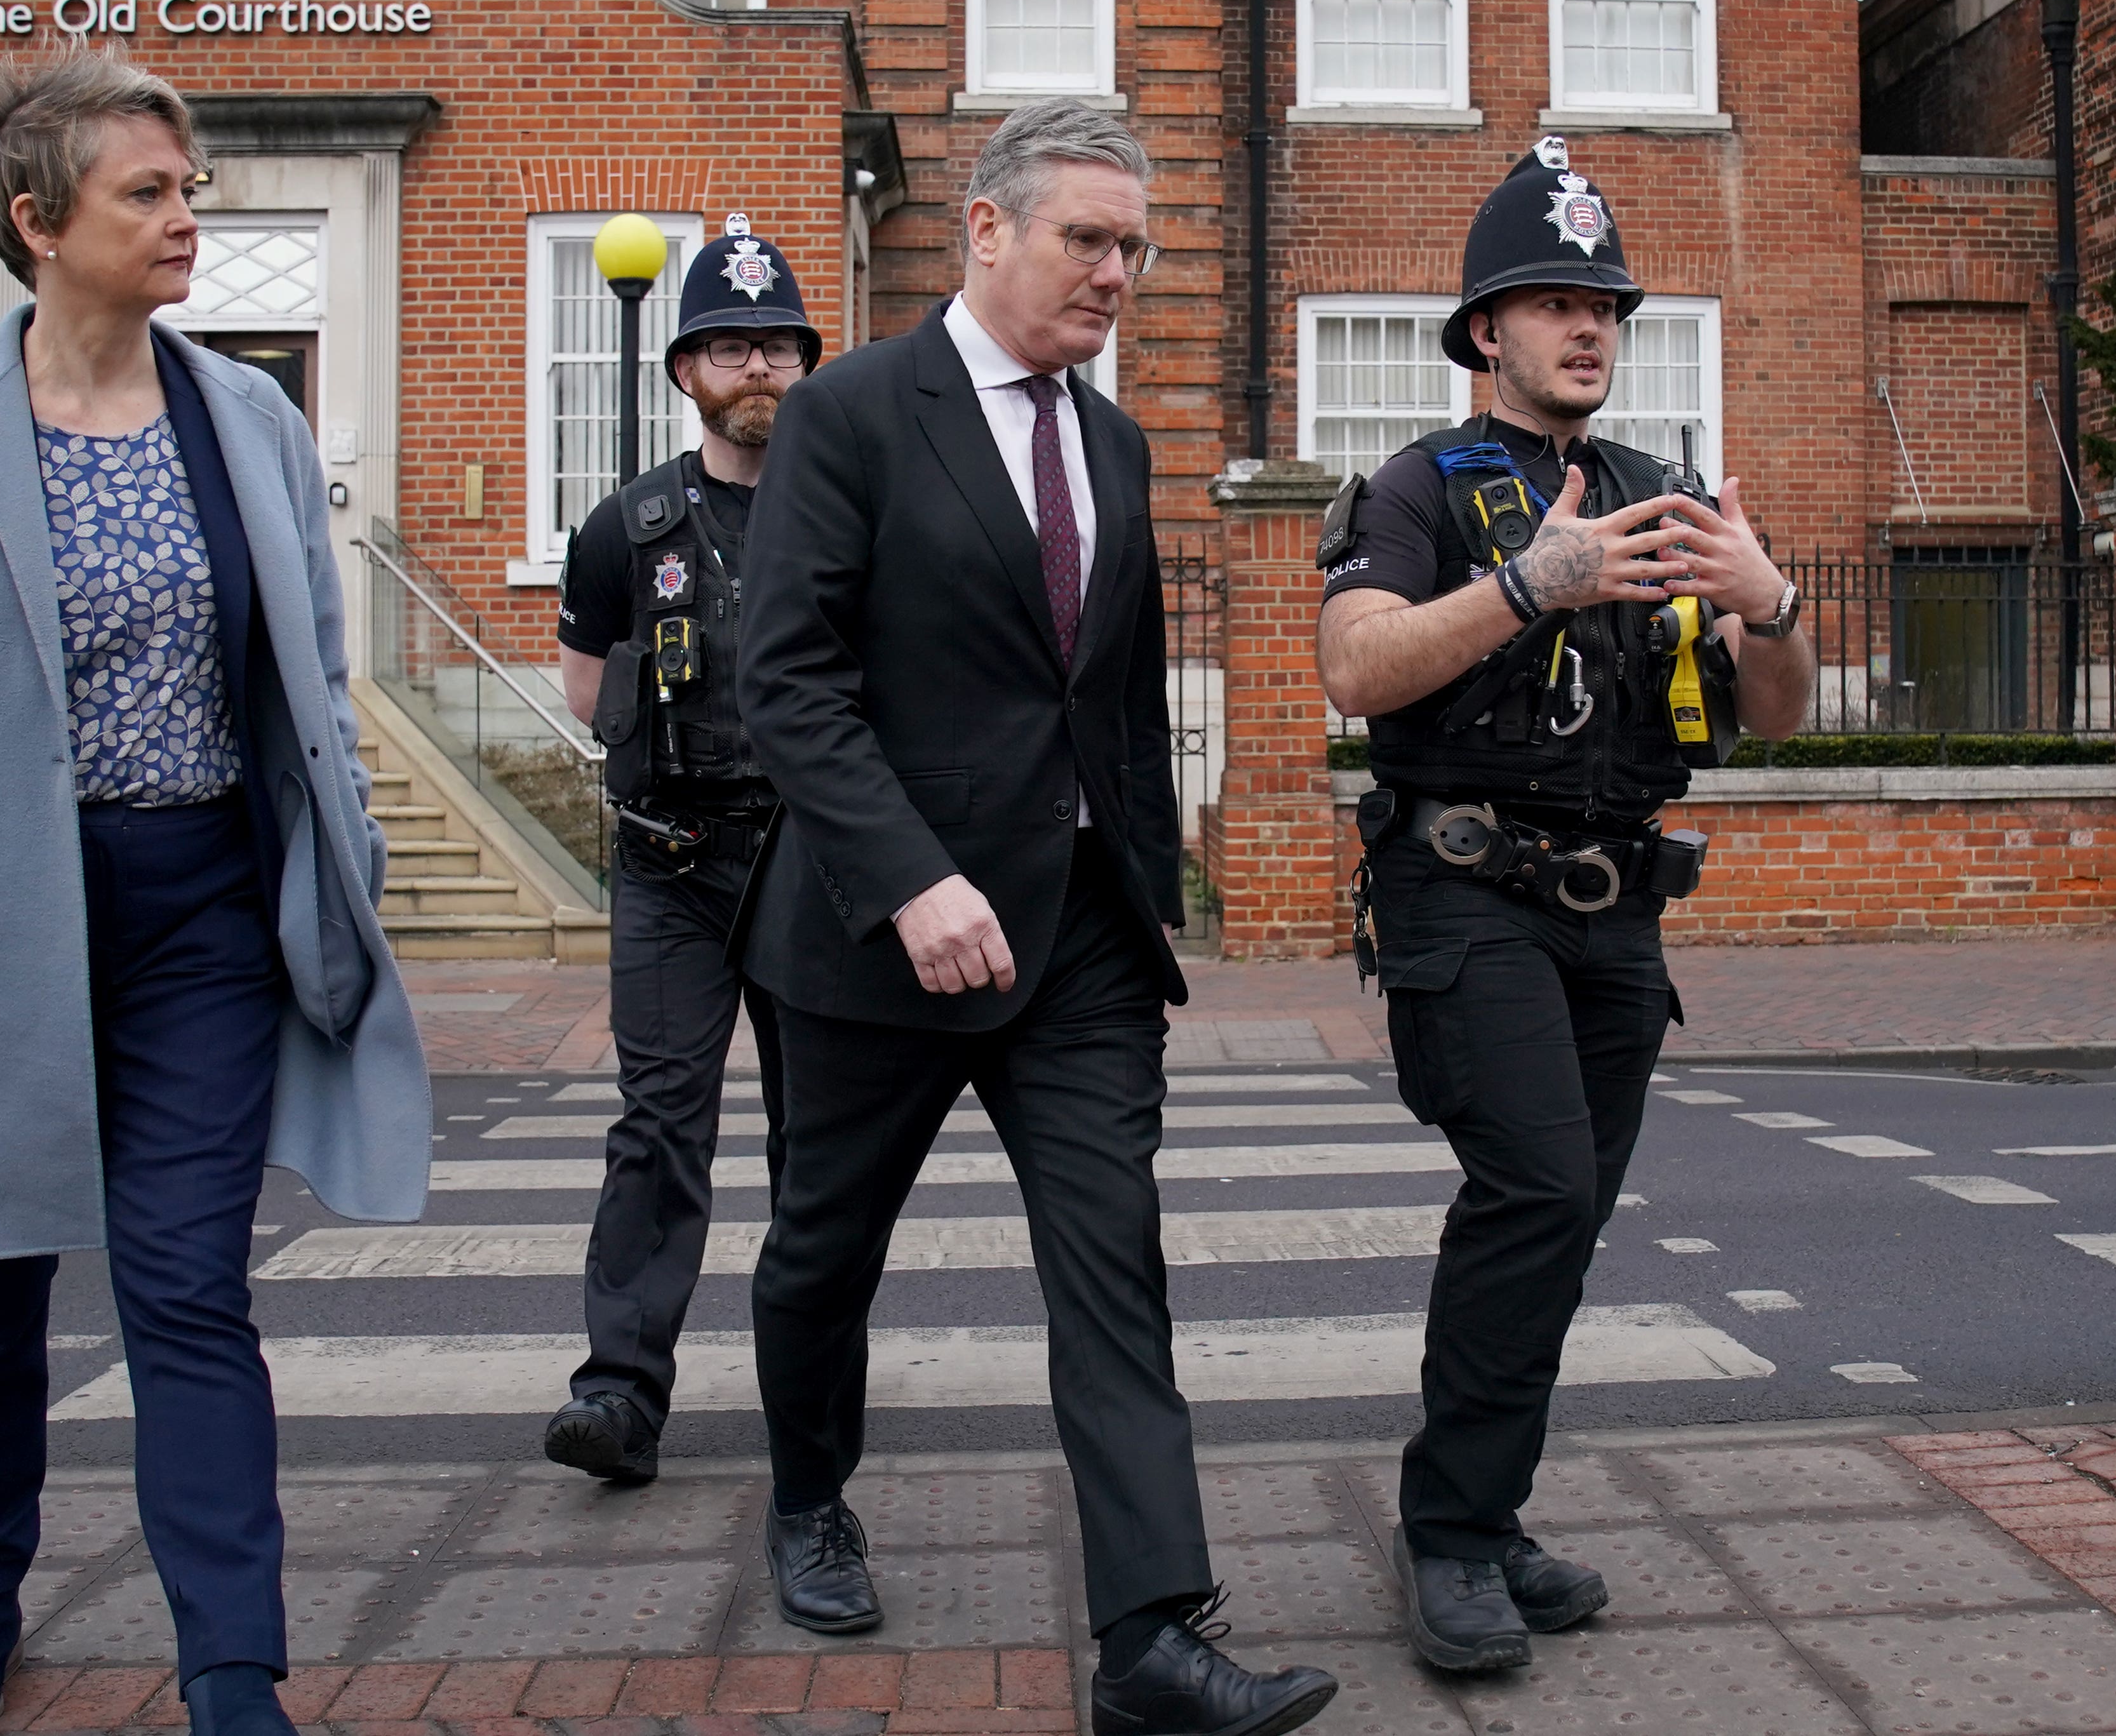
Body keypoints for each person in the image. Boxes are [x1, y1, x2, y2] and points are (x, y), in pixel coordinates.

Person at [0, 38, 429, 1736]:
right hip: (2, 925)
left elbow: (311, 679)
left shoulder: (246, 413)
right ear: (39, 221)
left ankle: (232, 1662)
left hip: (203, 907)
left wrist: (346, 864)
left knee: (191, 1285)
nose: (187, 216)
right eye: (151, 192)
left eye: (189, 187)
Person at [735, 100, 1339, 1736]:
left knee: (1110, 1269)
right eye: (1087, 238)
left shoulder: (1116, 443)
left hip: (1073, 937)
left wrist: (1147, 894)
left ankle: (1149, 1638)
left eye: (1134, 247)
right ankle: (806, 1496)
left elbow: (1117, 701)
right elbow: (783, 682)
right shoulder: (853, 413)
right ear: (984, 231)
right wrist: (908, 875)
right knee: (817, 1257)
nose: (1116, 273)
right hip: (879, 933)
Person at [1313, 137, 1816, 1673]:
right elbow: (1353, 670)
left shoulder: (1665, 496)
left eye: (1602, 303)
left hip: (1617, 910)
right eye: (1548, 303)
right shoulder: (1410, 489)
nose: (1585, 328)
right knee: (1531, 1191)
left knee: (1563, 1225)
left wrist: (1765, 598)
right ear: (1483, 334)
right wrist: (1529, 583)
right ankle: (1452, 1537)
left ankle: (1486, 1510)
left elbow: (1775, 719)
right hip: (1464, 891)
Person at [539, 214, 810, 1484]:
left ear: (806, 364)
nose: (753, 368)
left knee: (819, 1139)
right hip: (673, 868)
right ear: (685, 372)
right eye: (727, 348)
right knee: (657, 1127)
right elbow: (584, 693)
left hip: (815, 871)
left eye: (774, 346)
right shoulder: (624, 526)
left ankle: (812, 1392)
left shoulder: (850, 515)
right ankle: (618, 1396)